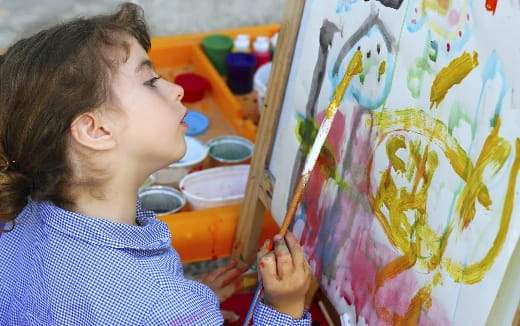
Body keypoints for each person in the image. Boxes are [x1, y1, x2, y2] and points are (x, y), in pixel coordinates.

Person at [0, 3, 312, 325]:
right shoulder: (159, 306)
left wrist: (187, 303)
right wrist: (283, 307)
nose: (176, 90)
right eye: (150, 82)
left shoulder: (18, 217)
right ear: (96, 130)